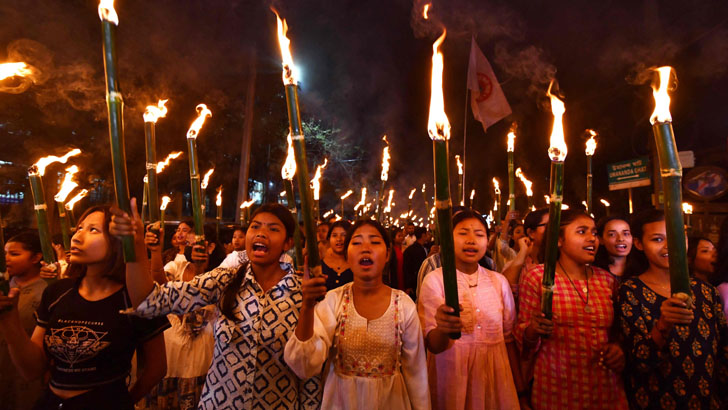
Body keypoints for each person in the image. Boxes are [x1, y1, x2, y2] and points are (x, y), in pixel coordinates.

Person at [110, 202, 321, 409]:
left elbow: (309, 374)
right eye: (255, 226)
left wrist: (308, 306)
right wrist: (136, 246)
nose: (261, 233)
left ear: (288, 243)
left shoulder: (304, 291)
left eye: (273, 229)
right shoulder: (225, 279)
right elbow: (152, 300)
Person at [0, 205, 169, 410]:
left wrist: (123, 401)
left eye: (93, 230)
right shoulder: (57, 292)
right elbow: (31, 370)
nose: (77, 237)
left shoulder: (135, 297)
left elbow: (157, 368)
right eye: (79, 228)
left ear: (118, 241)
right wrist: (10, 322)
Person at [284, 219, 430, 409]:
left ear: (387, 255)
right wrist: (307, 305)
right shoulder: (333, 301)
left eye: (375, 242)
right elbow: (304, 365)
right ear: (347, 255)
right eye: (357, 242)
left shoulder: (403, 305)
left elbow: (416, 373)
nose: (366, 248)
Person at [515, 209, 628, 409]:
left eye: (594, 233)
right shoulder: (538, 277)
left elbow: (617, 332)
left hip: (605, 387)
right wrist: (534, 329)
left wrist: (618, 349)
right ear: (559, 240)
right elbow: (524, 341)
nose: (592, 239)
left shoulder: (607, 280)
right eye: (582, 232)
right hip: (557, 388)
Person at [618, 209, 728, 409]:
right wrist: (663, 325)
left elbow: (722, 352)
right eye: (657, 239)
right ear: (640, 244)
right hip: (656, 399)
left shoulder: (707, 291)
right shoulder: (630, 291)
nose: (670, 246)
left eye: (677, 236)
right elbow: (640, 362)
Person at [418, 209, 523, 409]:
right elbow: (432, 344)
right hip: (451, 376)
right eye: (463, 233)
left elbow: (509, 340)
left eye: (479, 234)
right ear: (448, 238)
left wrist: (521, 390)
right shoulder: (435, 280)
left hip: (495, 378)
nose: (471, 240)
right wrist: (443, 328)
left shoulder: (498, 281)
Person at [138, 225, 217, 410]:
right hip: (172, 345)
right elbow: (158, 281)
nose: (192, 248)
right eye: (188, 243)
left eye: (197, 244)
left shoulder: (218, 273)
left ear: (210, 247)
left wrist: (199, 269)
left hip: (199, 349)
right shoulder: (176, 267)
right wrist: (155, 252)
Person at [0, 231, 47, 410]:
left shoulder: (47, 291)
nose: (7, 259)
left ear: (36, 257)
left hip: (28, 376)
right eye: (4, 253)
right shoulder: (5, 287)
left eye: (14, 254)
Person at [501, 208, 548, 299]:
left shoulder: (564, 261)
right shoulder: (521, 266)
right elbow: (507, 292)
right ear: (531, 233)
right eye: (548, 226)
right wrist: (523, 251)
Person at [321, 220, 353, 290]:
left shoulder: (356, 265)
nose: (339, 239)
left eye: (344, 235)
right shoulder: (320, 265)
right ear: (329, 239)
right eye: (334, 235)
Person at [402, 227, 430, 299]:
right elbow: (407, 268)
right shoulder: (412, 250)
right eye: (427, 234)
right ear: (423, 235)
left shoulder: (424, 247)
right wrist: (408, 285)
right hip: (416, 283)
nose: (429, 235)